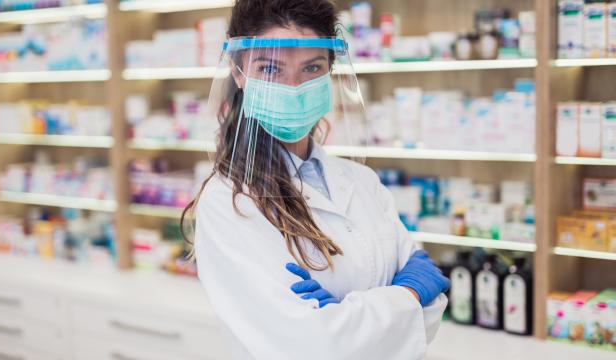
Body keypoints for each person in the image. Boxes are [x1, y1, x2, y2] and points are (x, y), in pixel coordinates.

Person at [182, 0, 451, 359]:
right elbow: (311, 345)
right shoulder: (230, 202)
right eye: (270, 69)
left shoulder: (362, 181)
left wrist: (342, 313)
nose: (294, 87)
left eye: (312, 68)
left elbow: (435, 305)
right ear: (238, 72)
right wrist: (411, 294)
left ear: (330, 72)